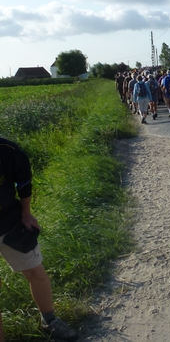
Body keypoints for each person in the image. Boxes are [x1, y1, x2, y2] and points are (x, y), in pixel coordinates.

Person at [0, 138, 78, 341]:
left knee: (37, 272)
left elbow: (24, 180)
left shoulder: (7, 149)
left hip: (10, 223)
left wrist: (26, 213)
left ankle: (49, 321)